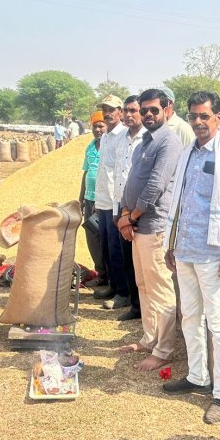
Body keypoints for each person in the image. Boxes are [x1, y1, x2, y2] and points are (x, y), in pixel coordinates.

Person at [163, 91, 220, 425]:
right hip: (184, 250)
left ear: (217, 118)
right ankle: (197, 375)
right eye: (193, 116)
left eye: (204, 116)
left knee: (219, 324)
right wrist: (171, 245)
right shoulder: (188, 152)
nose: (198, 122)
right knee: (190, 316)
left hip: (213, 254)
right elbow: (180, 201)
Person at [117, 88, 182, 371]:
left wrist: (132, 217)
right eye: (144, 110)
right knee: (143, 285)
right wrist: (124, 214)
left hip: (153, 226)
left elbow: (155, 185)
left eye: (154, 110)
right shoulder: (144, 141)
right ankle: (149, 338)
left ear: (166, 109)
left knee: (160, 289)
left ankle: (165, 349)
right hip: (136, 224)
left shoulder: (169, 141)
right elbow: (131, 180)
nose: (148, 115)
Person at [92, 95, 130, 305]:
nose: (108, 113)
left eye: (112, 109)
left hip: (117, 202)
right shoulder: (105, 137)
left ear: (120, 112)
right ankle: (113, 286)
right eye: (105, 109)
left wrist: (120, 206)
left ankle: (123, 294)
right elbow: (103, 172)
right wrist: (98, 202)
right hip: (104, 201)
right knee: (106, 247)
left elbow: (122, 173)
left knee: (117, 249)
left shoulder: (124, 135)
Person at [112, 95, 147, 320]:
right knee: (126, 258)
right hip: (121, 205)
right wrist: (118, 209)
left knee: (141, 263)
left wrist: (131, 214)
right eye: (126, 110)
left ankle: (142, 307)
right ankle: (134, 305)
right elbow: (118, 173)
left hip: (139, 211)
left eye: (133, 110)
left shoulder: (147, 139)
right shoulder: (121, 138)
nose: (128, 115)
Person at [80, 111, 107, 281]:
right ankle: (101, 274)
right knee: (92, 239)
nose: (98, 129)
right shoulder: (90, 146)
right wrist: (81, 198)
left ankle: (110, 277)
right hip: (89, 200)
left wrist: (100, 199)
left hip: (103, 201)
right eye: (95, 126)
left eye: (101, 126)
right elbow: (86, 173)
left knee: (104, 239)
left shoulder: (110, 145)